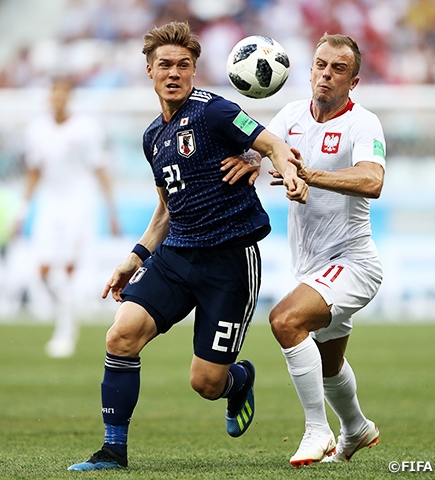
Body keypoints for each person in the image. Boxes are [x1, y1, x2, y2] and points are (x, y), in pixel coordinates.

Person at [68, 21, 308, 471]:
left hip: (228, 261)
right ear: (149, 71)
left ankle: (238, 382)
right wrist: (133, 259)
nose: (173, 73)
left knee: (205, 381)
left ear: (195, 70)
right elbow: (165, 211)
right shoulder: (151, 138)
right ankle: (112, 452)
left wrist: (287, 171)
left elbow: (272, 142)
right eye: (165, 65)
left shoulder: (215, 111)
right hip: (176, 256)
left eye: (183, 65)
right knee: (120, 336)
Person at [235, 33, 386, 467]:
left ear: (353, 82)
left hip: (354, 263)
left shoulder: (363, 123)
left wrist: (310, 175)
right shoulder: (290, 114)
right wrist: (254, 158)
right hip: (311, 266)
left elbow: (372, 181)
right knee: (328, 363)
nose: (326, 74)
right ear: (309, 68)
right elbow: (270, 150)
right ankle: (356, 428)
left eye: (338, 69)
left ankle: (317, 430)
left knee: (284, 320)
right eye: (321, 64)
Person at [18, 77, 120, 358]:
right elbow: (34, 171)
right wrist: (22, 210)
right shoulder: (37, 130)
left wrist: (112, 210)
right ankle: (68, 312)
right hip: (49, 202)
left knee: (67, 267)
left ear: (69, 98)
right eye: (54, 95)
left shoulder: (87, 128)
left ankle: (65, 330)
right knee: (42, 270)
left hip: (80, 202)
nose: (58, 100)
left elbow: (100, 168)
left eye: (63, 95)